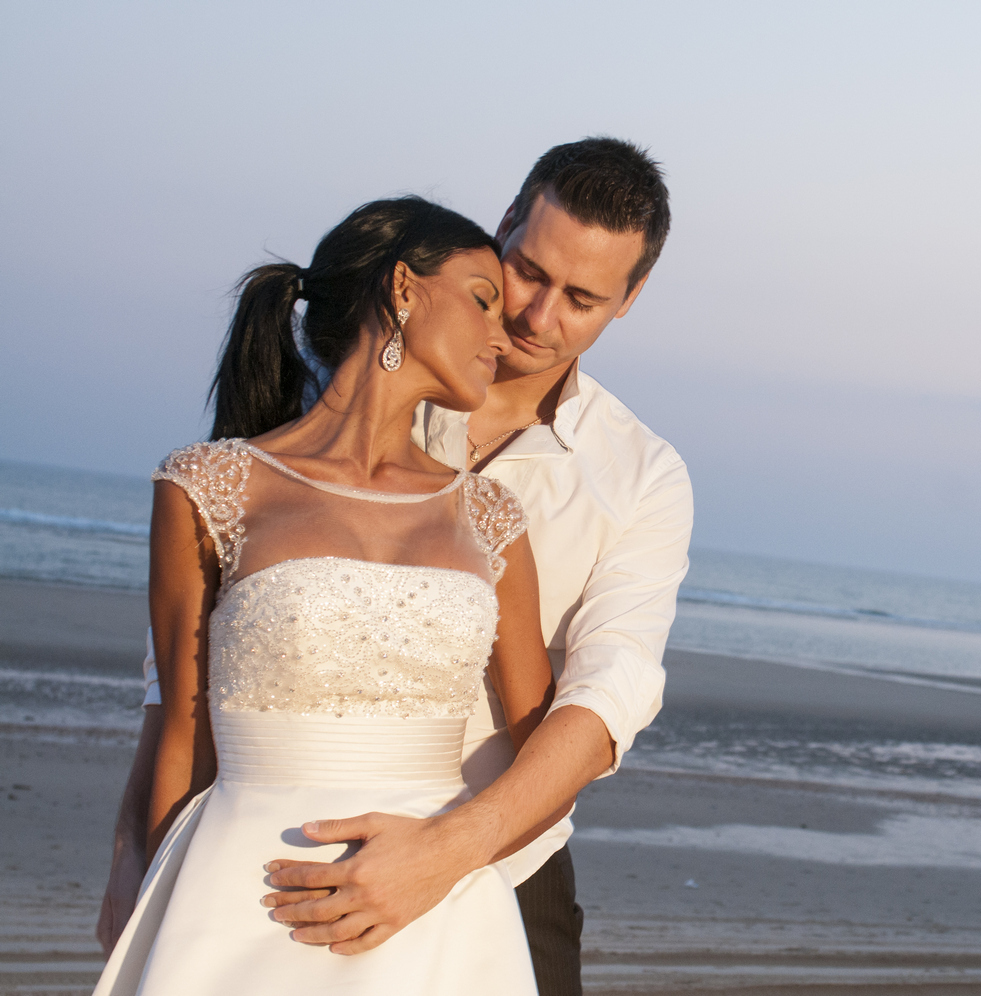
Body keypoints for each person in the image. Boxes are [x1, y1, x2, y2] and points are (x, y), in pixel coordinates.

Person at [99, 138, 693, 996]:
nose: (532, 317)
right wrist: (136, 854)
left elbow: (607, 692)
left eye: (582, 298)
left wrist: (449, 851)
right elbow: (190, 670)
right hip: (255, 860)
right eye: (523, 273)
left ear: (628, 302)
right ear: (501, 229)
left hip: (499, 865)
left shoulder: (639, 475)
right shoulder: (301, 408)